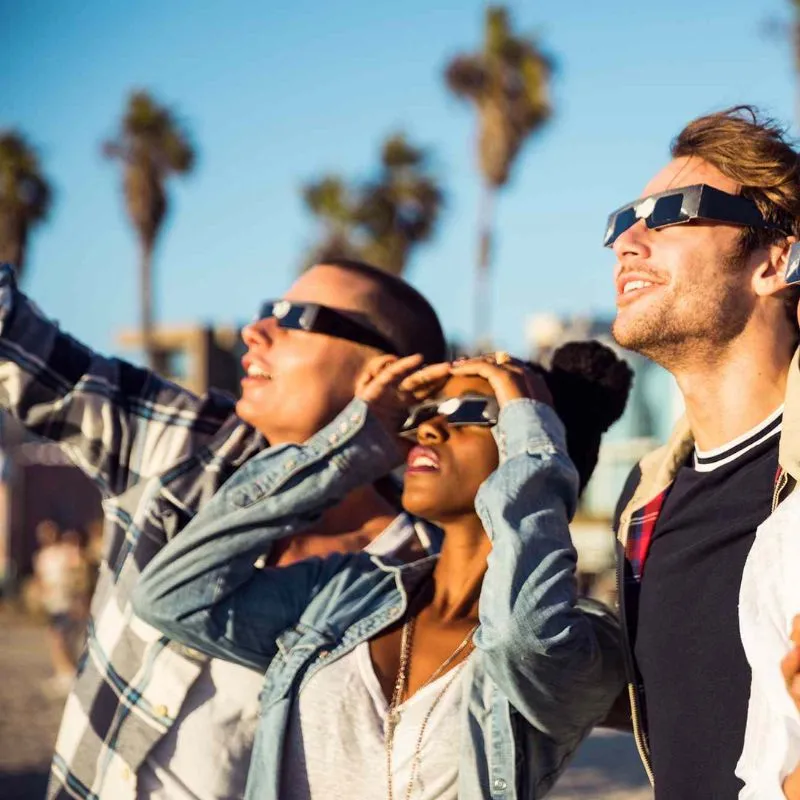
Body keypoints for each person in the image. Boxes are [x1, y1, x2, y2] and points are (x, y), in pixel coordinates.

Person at [0, 257, 446, 799]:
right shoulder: (182, 441)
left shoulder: (414, 574)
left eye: (295, 318)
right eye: (266, 312)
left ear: (388, 372)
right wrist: (343, 449)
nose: (254, 331)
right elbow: (14, 340)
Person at [131, 341, 632, 800]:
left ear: (535, 440)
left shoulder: (585, 644)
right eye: (424, 414)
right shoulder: (346, 594)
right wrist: (355, 442)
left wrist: (534, 439)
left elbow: (521, 635)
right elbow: (171, 596)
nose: (428, 429)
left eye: (469, 411)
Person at [606, 105, 800, 798]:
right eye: (623, 220)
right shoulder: (644, 505)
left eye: (671, 214)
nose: (627, 240)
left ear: (773, 261)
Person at [33, 520, 82, 696]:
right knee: (55, 639)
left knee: (62, 638)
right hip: (51, 603)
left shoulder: (64, 553)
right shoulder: (42, 556)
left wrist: (78, 599)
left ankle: (68, 673)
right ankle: (63, 673)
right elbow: (39, 578)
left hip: (66, 602)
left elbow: (77, 575)